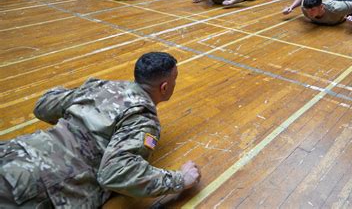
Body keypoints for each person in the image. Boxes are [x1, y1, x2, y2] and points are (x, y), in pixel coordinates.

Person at [0, 52, 201, 207]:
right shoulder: (143, 118)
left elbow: (43, 106)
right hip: (40, 184)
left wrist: (80, 97)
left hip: (17, 151)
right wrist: (180, 180)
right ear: (165, 87)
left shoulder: (101, 86)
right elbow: (115, 174)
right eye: (175, 78)